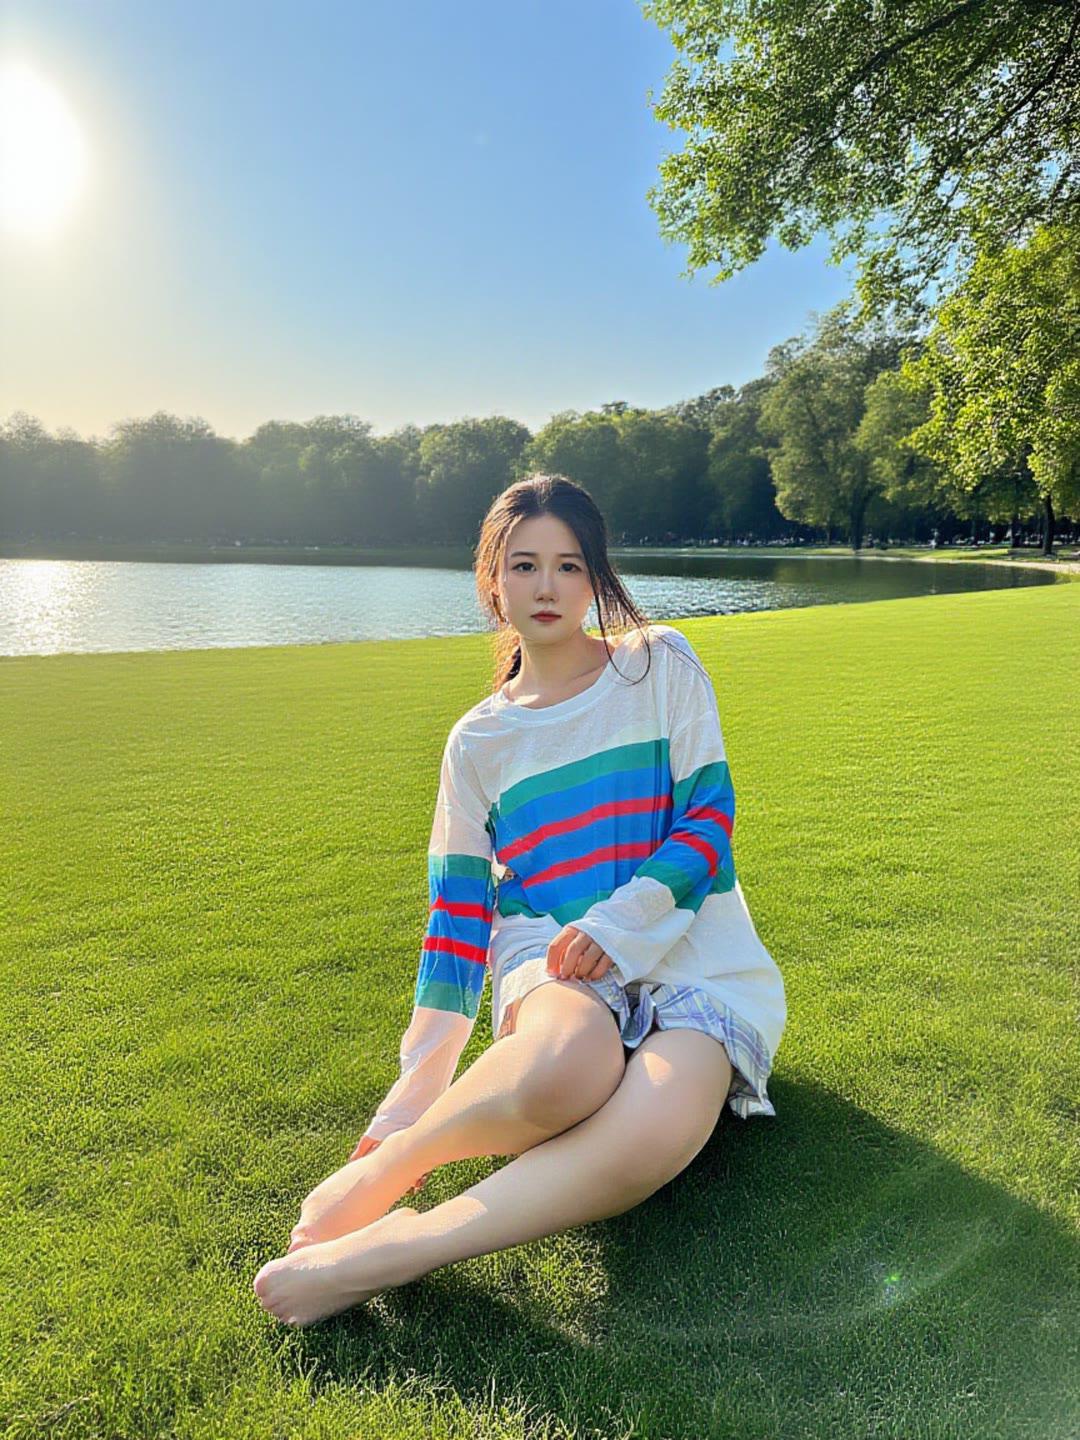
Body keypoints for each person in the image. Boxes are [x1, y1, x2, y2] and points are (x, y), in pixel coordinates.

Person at [253, 473, 788, 1326]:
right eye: (525, 565)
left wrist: (619, 923)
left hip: (692, 953)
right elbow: (458, 918)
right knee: (562, 1070)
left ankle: (397, 1251)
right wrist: (404, 1113)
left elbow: (708, 817)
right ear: (492, 582)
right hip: (552, 951)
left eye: (569, 566)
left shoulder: (660, 664)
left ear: (596, 578)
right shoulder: (478, 740)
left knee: (653, 1132)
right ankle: (398, 1167)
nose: (547, 586)